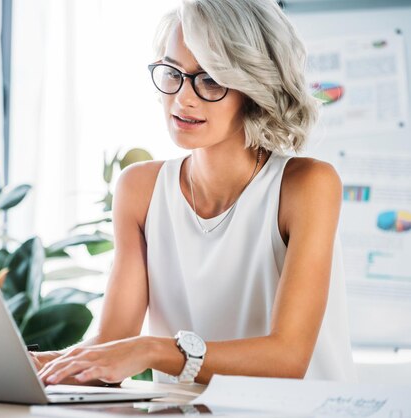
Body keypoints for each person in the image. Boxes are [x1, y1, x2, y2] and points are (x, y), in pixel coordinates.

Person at [34, 0, 357, 385]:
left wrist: (154, 349)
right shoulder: (140, 189)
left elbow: (287, 357)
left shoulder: (307, 185)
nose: (182, 98)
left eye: (210, 80)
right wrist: (21, 363)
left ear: (252, 88)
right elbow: (113, 343)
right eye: (173, 72)